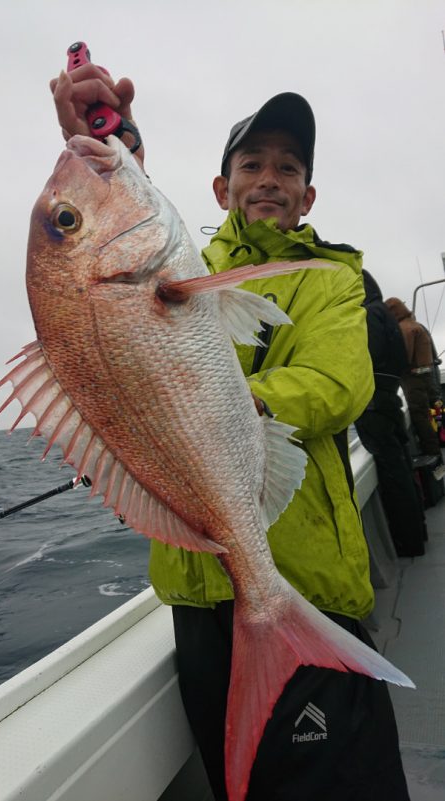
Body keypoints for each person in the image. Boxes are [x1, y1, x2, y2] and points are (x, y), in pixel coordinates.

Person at [51, 67, 410, 800]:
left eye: (288, 167)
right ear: (220, 190)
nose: (269, 178)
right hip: (195, 598)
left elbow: (339, 384)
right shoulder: (189, 266)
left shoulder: (329, 278)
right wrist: (108, 149)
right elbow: (135, 240)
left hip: (304, 582)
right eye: (251, 163)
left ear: (309, 195)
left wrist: (218, 402)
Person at [354, 271, 426, 556]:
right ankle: (417, 534)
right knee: (401, 468)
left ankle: (407, 543)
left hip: (374, 405)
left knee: (393, 474)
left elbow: (366, 358)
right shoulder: (384, 312)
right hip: (389, 400)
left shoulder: (369, 315)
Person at [385, 298, 444, 479]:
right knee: (434, 411)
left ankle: (434, 456)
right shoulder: (416, 325)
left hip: (414, 379)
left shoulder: (404, 329)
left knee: (420, 416)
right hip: (426, 377)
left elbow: (404, 358)